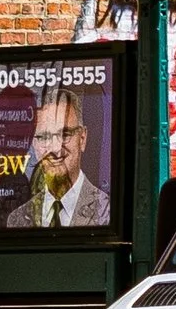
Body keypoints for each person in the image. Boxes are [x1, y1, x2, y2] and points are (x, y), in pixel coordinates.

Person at [7, 89, 111, 232]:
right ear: (35, 145)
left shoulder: (107, 211)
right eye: (44, 137)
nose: (55, 148)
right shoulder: (17, 220)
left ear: (82, 138)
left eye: (65, 134)